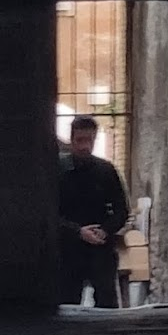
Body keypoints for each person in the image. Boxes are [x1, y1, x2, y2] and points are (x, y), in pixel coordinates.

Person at [59, 116, 129, 308]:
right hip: (68, 251)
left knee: (106, 306)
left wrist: (105, 230)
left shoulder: (106, 171)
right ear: (71, 140)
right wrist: (77, 232)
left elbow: (122, 211)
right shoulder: (58, 171)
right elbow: (48, 214)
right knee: (66, 307)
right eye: (80, 140)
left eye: (89, 140)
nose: (85, 146)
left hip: (101, 250)